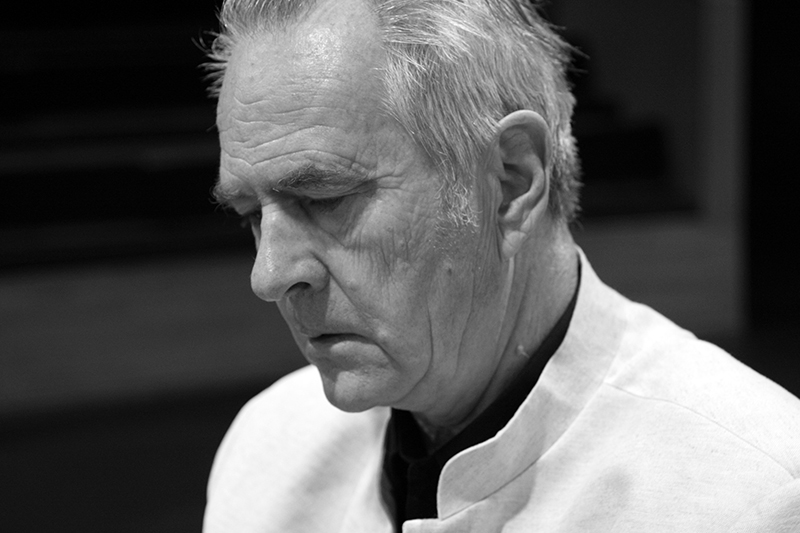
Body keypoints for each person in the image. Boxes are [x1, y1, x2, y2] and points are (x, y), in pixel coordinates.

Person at [201, 0, 800, 531]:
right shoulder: (268, 451)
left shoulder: (750, 492)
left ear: (510, 183)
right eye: (251, 214)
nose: (268, 276)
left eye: (325, 198)